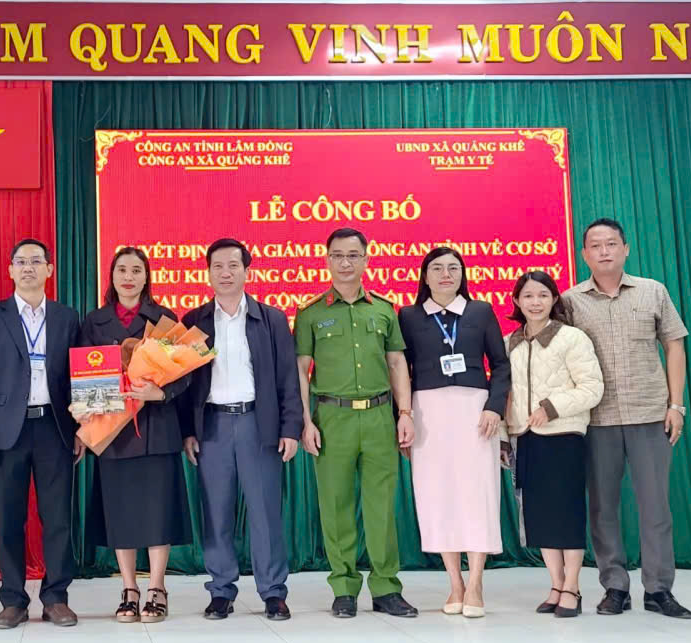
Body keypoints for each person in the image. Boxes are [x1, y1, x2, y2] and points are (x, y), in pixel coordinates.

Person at [562, 218, 691, 619]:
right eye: (595, 245)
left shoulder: (653, 291)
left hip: (651, 414)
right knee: (603, 508)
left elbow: (674, 346)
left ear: (626, 249)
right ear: (584, 254)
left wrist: (676, 405)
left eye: (611, 244)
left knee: (656, 507)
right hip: (596, 418)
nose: (604, 251)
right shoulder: (570, 300)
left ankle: (658, 589)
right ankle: (614, 586)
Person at [295, 228, 417, 619]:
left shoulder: (384, 309)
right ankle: (344, 588)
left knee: (381, 506)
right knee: (336, 505)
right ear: (327, 259)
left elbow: (397, 362)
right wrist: (305, 422)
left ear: (366, 259)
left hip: (380, 416)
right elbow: (300, 372)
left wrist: (405, 413)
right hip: (332, 418)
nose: (345, 263)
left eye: (353, 255)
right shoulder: (311, 313)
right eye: (337, 255)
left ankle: (386, 587)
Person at [178, 239, 302, 621]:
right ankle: (221, 590)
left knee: (265, 511)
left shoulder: (272, 319)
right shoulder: (194, 321)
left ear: (247, 270)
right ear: (208, 272)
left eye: (233, 265)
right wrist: (188, 431)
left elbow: (287, 378)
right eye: (218, 266)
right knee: (216, 512)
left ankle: (273, 591)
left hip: (257, 424)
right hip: (212, 426)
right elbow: (184, 383)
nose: (226, 273)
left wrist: (291, 428)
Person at [0, 239, 83, 630]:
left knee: (58, 518)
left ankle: (56, 598)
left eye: (36, 261)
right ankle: (13, 600)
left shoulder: (67, 317)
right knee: (9, 519)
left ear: (50, 269)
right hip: (6, 432)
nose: (28, 267)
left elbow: (79, 378)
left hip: (55, 428)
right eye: (21, 261)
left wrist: (82, 429)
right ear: (10, 270)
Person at [81, 247, 193, 624]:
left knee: (158, 510)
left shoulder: (164, 319)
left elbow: (186, 375)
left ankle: (157, 587)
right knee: (122, 512)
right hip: (113, 430)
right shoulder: (94, 321)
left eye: (136, 270)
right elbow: (82, 374)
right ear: (111, 276)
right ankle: (129, 589)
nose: (128, 277)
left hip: (158, 427)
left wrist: (159, 393)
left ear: (147, 277)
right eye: (122, 270)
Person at [397, 248, 510, 618]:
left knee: (478, 492)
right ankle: (455, 583)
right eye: (437, 268)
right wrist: (404, 417)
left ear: (463, 274)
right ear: (424, 276)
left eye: (453, 268)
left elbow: (501, 365)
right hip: (428, 413)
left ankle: (475, 581)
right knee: (438, 494)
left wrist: (494, 406)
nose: (445, 274)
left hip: (476, 412)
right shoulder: (409, 315)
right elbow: (400, 369)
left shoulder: (480, 311)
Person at [504, 271, 603, 617]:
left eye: (543, 295)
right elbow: (505, 393)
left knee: (566, 514)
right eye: (528, 296)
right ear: (517, 301)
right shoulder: (510, 342)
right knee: (540, 515)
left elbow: (592, 387)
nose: (535, 302)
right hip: (525, 437)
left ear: (554, 299)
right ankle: (556, 584)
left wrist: (551, 407)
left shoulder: (572, 338)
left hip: (563, 436)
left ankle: (572, 586)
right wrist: (504, 436)